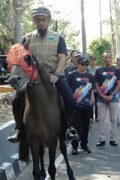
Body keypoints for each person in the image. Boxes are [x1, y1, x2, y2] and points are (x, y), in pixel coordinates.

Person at [7, 6, 78, 143]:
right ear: (34, 21)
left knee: (70, 101)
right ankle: (18, 130)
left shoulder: (58, 38)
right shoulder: (27, 38)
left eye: (43, 20)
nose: (41, 22)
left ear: (49, 21)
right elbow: (20, 57)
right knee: (16, 100)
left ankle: (68, 128)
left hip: (55, 75)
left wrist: (57, 74)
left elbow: (62, 58)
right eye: (38, 20)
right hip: (33, 78)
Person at [94, 51, 120, 147]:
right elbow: (96, 84)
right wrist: (101, 95)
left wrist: (112, 94)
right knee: (101, 119)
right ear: (103, 58)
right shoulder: (99, 70)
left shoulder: (117, 70)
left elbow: (119, 83)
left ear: (112, 58)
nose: (108, 59)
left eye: (109, 57)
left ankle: (113, 139)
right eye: (106, 57)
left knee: (113, 120)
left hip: (113, 98)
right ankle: (101, 139)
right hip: (101, 99)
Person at [67, 56, 94, 155]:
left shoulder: (90, 76)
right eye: (82, 64)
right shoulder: (71, 75)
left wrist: (92, 99)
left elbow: (91, 90)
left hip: (86, 105)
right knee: (75, 126)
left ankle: (84, 144)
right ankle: (75, 146)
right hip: (76, 105)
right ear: (78, 64)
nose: (84, 66)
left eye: (86, 64)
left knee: (86, 126)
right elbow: (68, 90)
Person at [88, 55, 98, 122]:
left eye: (94, 60)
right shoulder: (87, 69)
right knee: (90, 103)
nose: (93, 61)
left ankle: (97, 117)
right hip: (89, 89)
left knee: (97, 103)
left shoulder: (98, 69)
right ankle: (91, 117)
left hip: (97, 89)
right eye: (91, 60)